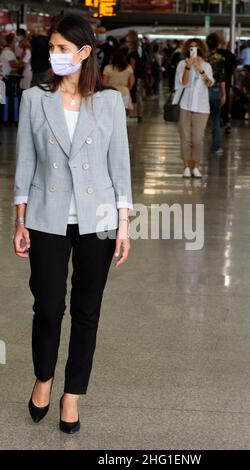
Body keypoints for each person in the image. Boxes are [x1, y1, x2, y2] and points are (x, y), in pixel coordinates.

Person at [13, 14, 133, 434]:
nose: (55, 55)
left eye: (63, 48)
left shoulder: (109, 102)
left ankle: (72, 394)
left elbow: (120, 165)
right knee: (47, 306)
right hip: (46, 216)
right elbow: (25, 162)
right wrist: (20, 219)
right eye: (52, 48)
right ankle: (43, 378)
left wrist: (123, 224)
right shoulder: (34, 100)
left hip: (97, 220)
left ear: (84, 53)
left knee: (87, 311)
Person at [173, 38, 214, 178]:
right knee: (185, 137)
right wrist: (188, 67)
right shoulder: (182, 64)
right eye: (191, 48)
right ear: (187, 50)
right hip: (184, 105)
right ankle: (186, 167)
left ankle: (196, 166)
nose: (194, 50)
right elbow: (183, 82)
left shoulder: (207, 65)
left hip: (202, 107)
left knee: (197, 138)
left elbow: (209, 83)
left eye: (196, 48)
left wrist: (200, 69)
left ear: (201, 49)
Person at [206, 33, 226, 155]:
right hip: (215, 91)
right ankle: (216, 147)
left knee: (201, 119)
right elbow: (222, 77)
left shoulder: (202, 58)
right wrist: (224, 93)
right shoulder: (220, 58)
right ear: (218, 44)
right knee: (216, 119)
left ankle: (197, 145)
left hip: (202, 91)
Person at [217, 34, 237, 134]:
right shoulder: (231, 55)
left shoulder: (214, 55)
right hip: (227, 82)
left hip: (214, 83)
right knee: (225, 101)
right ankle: (226, 121)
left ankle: (217, 119)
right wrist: (235, 84)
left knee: (214, 102)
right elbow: (234, 72)